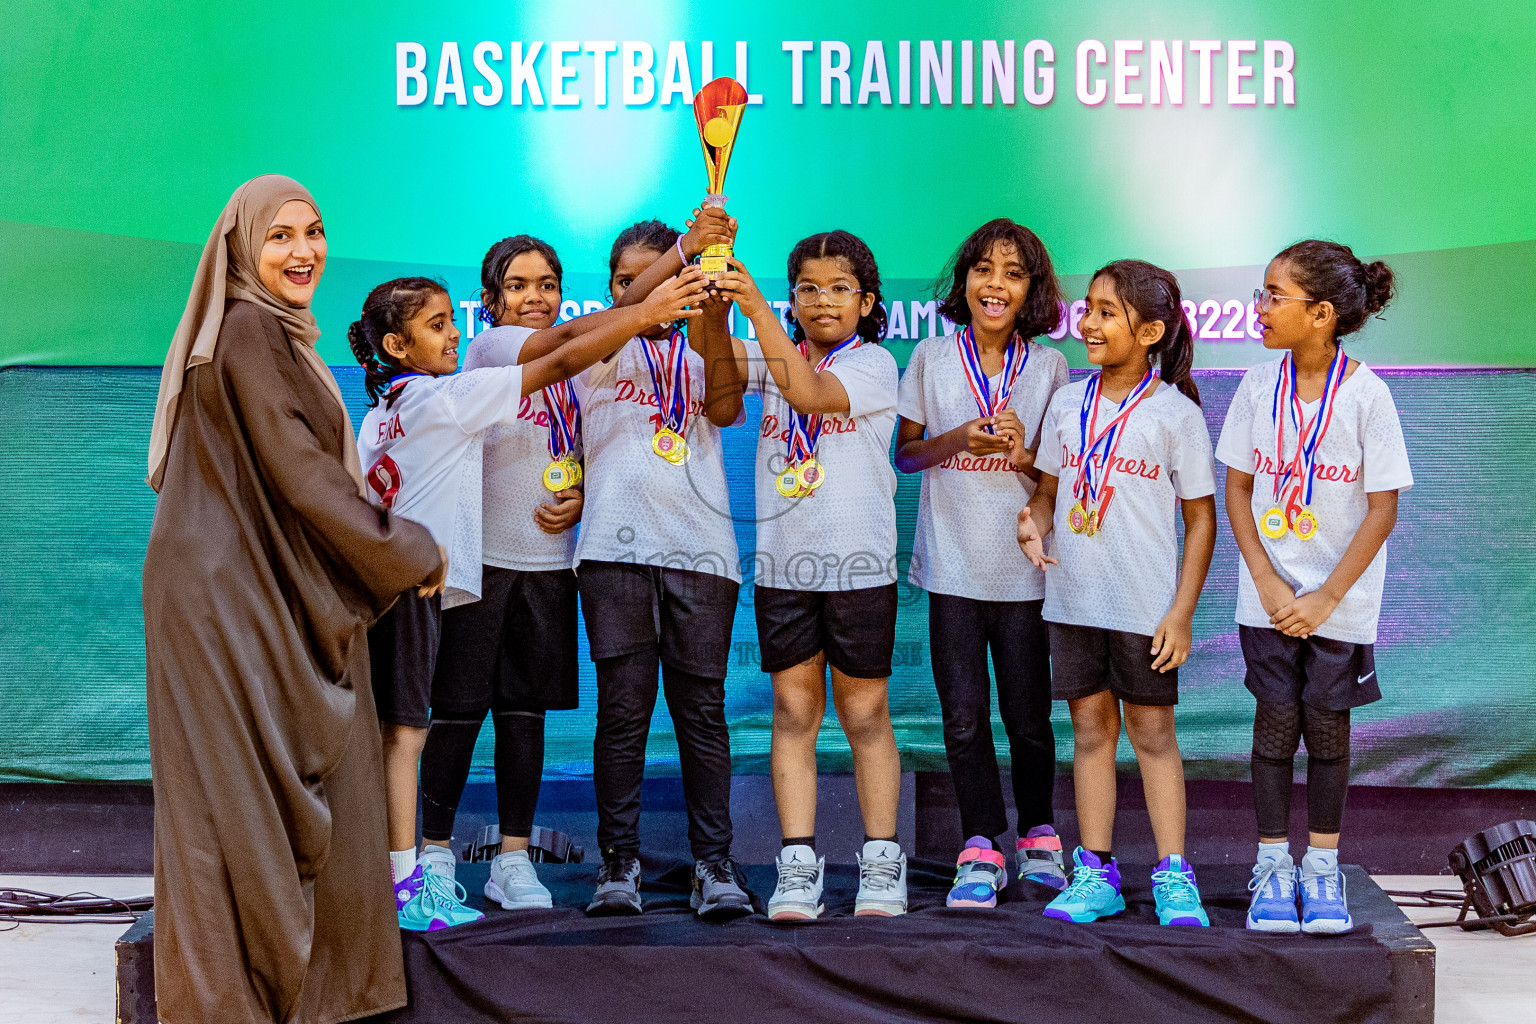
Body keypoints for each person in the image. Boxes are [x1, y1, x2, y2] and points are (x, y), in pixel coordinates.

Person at [143, 175, 441, 1024]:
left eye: (312, 232)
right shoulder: (246, 330)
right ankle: (236, 1004)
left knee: (251, 802)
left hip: (243, 587)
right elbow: (303, 476)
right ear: (240, 248)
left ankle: (287, 995)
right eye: (278, 236)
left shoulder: (265, 333)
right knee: (230, 809)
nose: (303, 250)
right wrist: (409, 546)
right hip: (226, 599)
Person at [350, 268, 707, 927]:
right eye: (517, 286)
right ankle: (422, 867)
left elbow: (589, 386)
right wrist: (664, 287)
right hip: (458, 574)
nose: (535, 296)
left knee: (481, 720)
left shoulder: (385, 412)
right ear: (491, 303)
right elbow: (571, 342)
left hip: (513, 571)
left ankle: (485, 866)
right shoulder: (471, 370)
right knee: (433, 721)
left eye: (548, 282)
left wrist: (582, 488)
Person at [709, 231, 908, 920]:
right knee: (794, 713)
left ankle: (881, 861)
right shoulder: (770, 353)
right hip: (784, 568)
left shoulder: (877, 364)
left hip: (860, 567)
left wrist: (755, 308)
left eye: (839, 288)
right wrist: (713, 292)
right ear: (793, 297)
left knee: (864, 713)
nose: (823, 301)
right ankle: (797, 864)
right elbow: (718, 369)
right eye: (808, 288)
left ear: (867, 300)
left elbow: (811, 391)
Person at [1016, 259, 1217, 927]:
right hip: (1073, 603)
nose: (1089, 322)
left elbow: (1201, 517)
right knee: (1089, 733)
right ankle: (1094, 871)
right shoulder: (1068, 402)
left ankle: (1172, 873)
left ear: (1151, 330)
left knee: (1153, 734)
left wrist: (1181, 613)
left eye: (1107, 312)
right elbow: (1047, 492)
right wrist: (1031, 520)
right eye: (1089, 307)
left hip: (1145, 608)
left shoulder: (1175, 414)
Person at [1217, 240, 1410, 934]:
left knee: (1327, 734)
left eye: (1275, 295)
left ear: (1322, 313)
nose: (1260, 309)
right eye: (1262, 293)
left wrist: (1327, 596)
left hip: (1340, 603)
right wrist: (1267, 578)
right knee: (1274, 730)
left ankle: (1321, 868)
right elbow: (1237, 489)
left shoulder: (1367, 395)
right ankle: (1272, 865)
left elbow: (1383, 508)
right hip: (1267, 601)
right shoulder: (1254, 387)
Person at [575, 217, 755, 919]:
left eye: (652, 276)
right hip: (613, 555)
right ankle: (617, 863)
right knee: (622, 713)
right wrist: (678, 262)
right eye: (625, 279)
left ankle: (713, 863)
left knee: (701, 715)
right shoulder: (596, 347)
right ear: (613, 288)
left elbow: (728, 406)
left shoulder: (713, 347)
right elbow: (629, 311)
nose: (638, 290)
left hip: (702, 555)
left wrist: (708, 309)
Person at [893, 219, 1071, 908]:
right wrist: (958, 439)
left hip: (1026, 572)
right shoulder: (932, 360)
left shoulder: (1051, 366)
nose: (995, 284)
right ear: (963, 279)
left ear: (1031, 290)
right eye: (983, 270)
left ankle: (1039, 836)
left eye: (1013, 273)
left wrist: (1024, 454)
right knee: (963, 717)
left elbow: (1055, 478)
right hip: (952, 570)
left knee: (1028, 718)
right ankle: (979, 844)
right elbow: (906, 456)